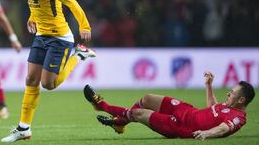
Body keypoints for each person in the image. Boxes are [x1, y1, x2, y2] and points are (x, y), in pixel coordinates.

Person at [1, 0, 96, 142]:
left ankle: (77, 55)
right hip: (41, 37)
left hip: (59, 38)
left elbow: (72, 3)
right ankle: (23, 128)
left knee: (48, 84)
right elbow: (38, 4)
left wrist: (84, 26)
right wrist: (32, 18)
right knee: (30, 80)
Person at [84, 71, 255, 140]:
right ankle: (120, 123)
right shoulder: (228, 107)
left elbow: (223, 128)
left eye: (232, 93)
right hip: (187, 110)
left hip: (181, 125)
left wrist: (206, 133)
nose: (228, 93)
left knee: (139, 114)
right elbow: (213, 108)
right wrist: (209, 86)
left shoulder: (237, 117)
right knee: (148, 98)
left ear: (241, 100)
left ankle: (101, 105)